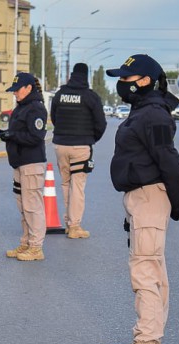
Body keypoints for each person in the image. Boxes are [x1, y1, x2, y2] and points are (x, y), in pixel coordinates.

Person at [105, 54, 179, 344]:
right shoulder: (143, 111)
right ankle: (150, 342)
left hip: (150, 197)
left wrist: (177, 202)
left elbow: (169, 160)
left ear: (144, 81)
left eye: (126, 78)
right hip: (141, 198)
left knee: (145, 272)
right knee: (152, 270)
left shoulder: (153, 115)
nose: (121, 84)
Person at [0, 72, 47, 262]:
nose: (14, 93)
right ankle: (26, 243)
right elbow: (19, 131)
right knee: (23, 206)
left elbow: (36, 136)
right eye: (13, 90)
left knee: (33, 207)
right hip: (20, 163)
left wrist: (11, 136)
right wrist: (5, 134)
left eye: (17, 90)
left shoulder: (35, 109)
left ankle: (36, 247)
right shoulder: (21, 108)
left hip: (31, 163)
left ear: (28, 88)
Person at [50, 62, 107, 239]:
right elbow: (101, 123)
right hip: (81, 146)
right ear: (86, 76)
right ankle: (75, 226)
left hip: (60, 145)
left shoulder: (60, 95)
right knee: (78, 186)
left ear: (72, 75)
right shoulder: (90, 97)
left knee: (66, 184)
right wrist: (91, 139)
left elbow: (53, 117)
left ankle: (69, 223)